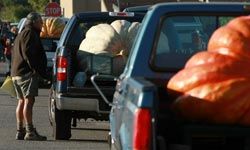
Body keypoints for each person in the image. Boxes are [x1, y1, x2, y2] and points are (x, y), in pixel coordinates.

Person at [11, 12, 47, 141]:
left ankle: (20, 130)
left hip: (16, 73)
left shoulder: (21, 33)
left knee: (21, 101)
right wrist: (35, 69)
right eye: (41, 22)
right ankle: (30, 131)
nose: (42, 24)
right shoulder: (30, 33)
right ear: (34, 22)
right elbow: (28, 53)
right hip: (26, 73)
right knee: (28, 101)